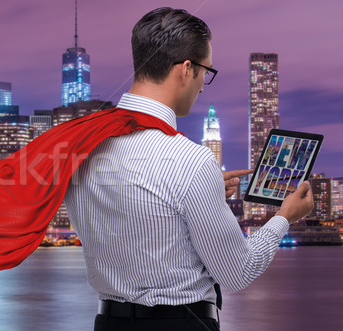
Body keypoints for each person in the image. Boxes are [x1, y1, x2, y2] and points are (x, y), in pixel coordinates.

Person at [63, 7, 314, 331]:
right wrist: (284, 217)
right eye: (205, 73)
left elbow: (139, 212)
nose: (203, 86)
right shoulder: (191, 161)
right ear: (185, 70)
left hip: (107, 322)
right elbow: (237, 271)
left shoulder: (78, 148)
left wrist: (202, 192)